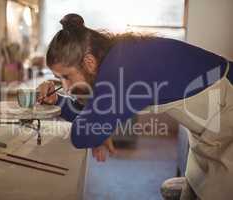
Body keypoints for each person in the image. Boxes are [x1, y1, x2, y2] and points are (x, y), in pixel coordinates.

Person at [37, 14, 233, 200]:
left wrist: (97, 130)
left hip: (227, 112)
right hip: (210, 128)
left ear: (88, 62)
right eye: (58, 79)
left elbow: (84, 134)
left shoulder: (121, 69)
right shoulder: (115, 56)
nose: (66, 86)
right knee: (198, 185)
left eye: (66, 76)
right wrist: (59, 101)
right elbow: (90, 116)